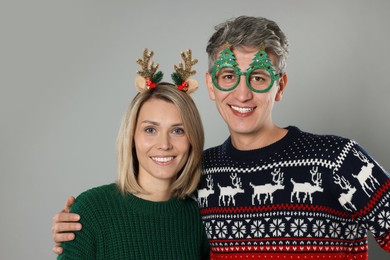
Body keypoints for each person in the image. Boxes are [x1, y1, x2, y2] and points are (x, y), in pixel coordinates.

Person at [52, 16, 390, 259]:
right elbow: (147, 214)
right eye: (229, 76)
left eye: (258, 77)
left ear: (280, 86)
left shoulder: (338, 160)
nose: (242, 94)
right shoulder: (200, 174)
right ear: (212, 86)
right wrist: (81, 220)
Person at [53, 48, 210, 259]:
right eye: (150, 130)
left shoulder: (200, 219)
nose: (164, 144)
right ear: (132, 137)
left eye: (178, 130)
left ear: (193, 139)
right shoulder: (91, 210)